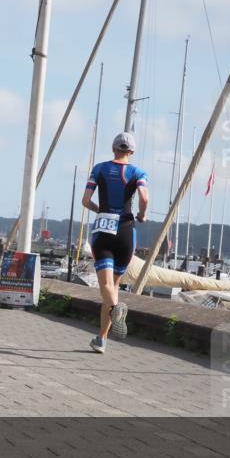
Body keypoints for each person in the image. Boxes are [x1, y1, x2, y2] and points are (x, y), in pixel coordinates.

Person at [81, 132, 149, 354]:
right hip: (126, 232)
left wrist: (99, 210)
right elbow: (144, 197)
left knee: (107, 288)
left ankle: (116, 309)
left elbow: (85, 200)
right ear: (132, 152)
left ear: (113, 148)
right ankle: (101, 339)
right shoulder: (137, 172)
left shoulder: (99, 168)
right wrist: (141, 214)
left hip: (103, 229)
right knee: (114, 287)